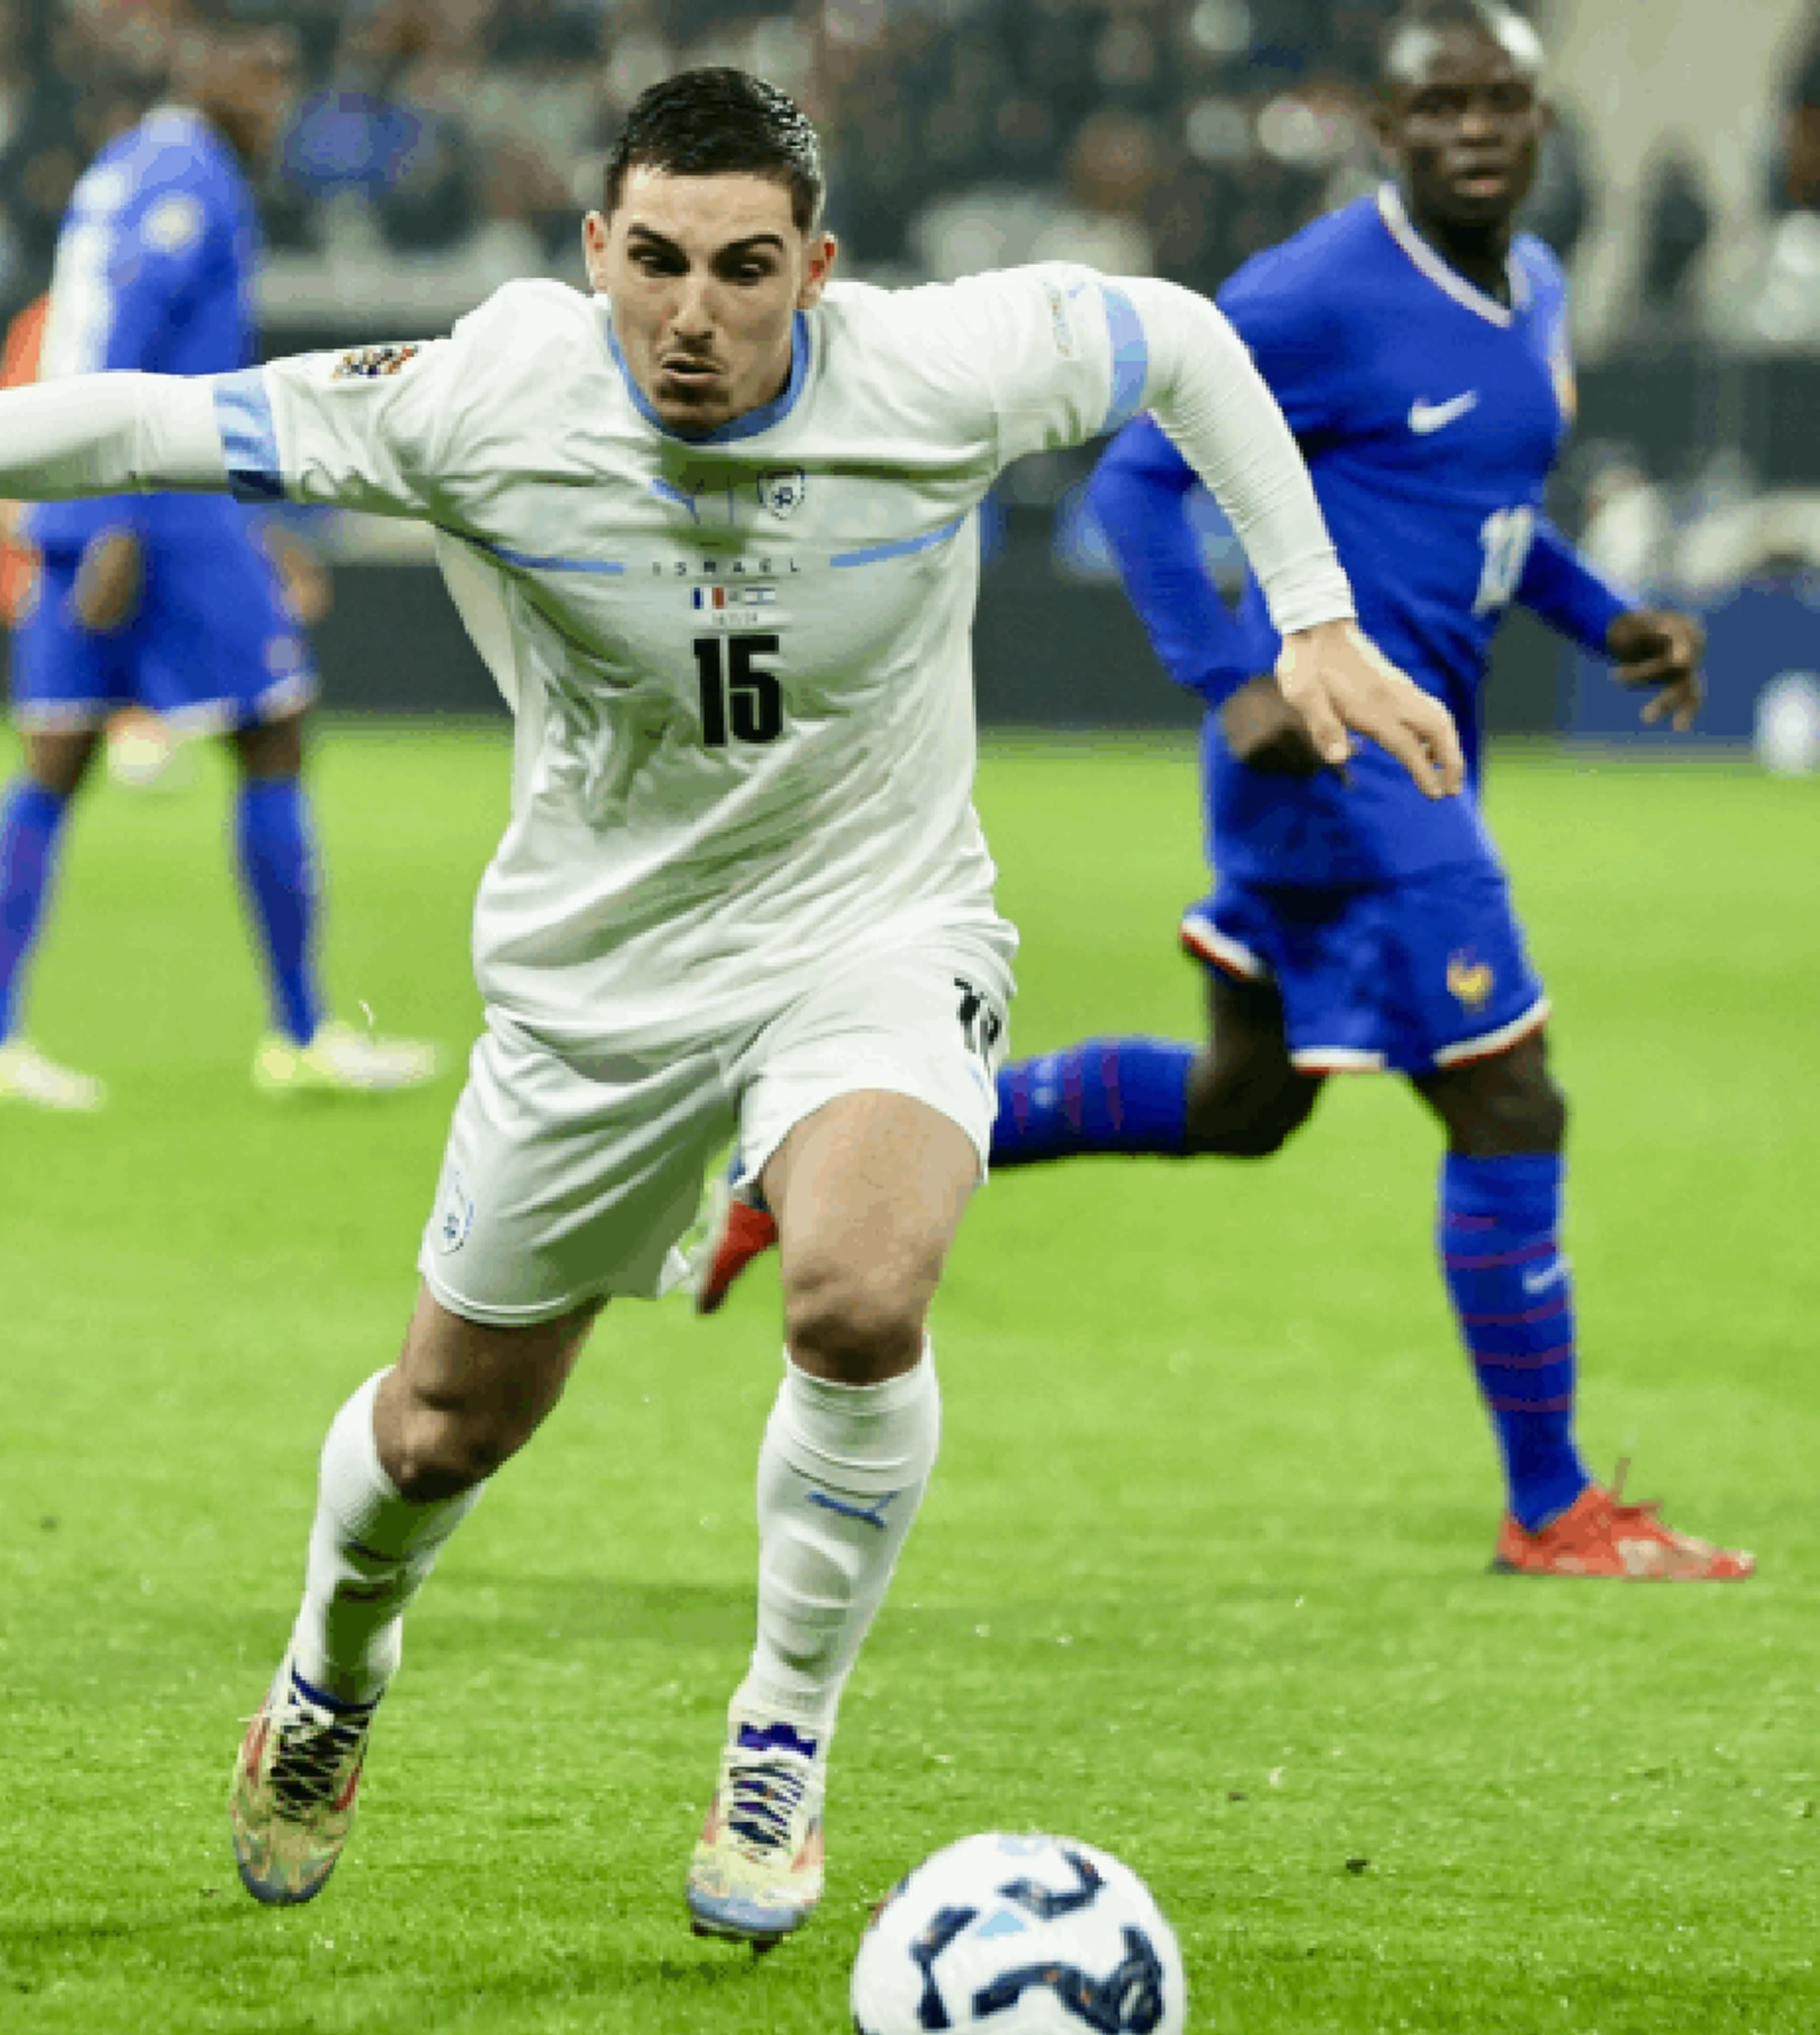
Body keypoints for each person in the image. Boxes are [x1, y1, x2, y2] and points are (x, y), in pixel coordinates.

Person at [0, 67, 1462, 1941]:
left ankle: (780, 1745)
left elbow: (1185, 342)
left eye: (742, 269)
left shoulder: (941, 369)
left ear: (817, 268)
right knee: (440, 1432)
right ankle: (331, 1671)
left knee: (862, 1294)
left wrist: (1313, 613)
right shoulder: (498, 389)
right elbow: (165, 421)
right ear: (595, 253)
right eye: (652, 262)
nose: (692, 315)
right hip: (598, 982)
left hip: (870, 925)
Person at [709, 1, 1747, 1583]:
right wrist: (1230, 675)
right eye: (1441, 107)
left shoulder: (1531, 285)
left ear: (1539, 131)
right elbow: (1138, 473)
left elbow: (1483, 515)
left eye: (1503, 106)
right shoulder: (1315, 290)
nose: (1475, 130)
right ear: (1385, 133)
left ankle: (823, 1171)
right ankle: (1553, 1508)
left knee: (1243, 1104)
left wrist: (1613, 625)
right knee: (1508, 1090)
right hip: (1338, 762)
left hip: (1402, 748)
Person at [0, 21, 434, 1112]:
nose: (275, 101)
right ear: (204, 64)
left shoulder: (125, 166)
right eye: (262, 69)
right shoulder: (188, 175)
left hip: (102, 502)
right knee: (272, 732)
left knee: (55, 760)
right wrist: (119, 515)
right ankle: (301, 1033)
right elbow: (126, 345)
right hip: (149, 508)